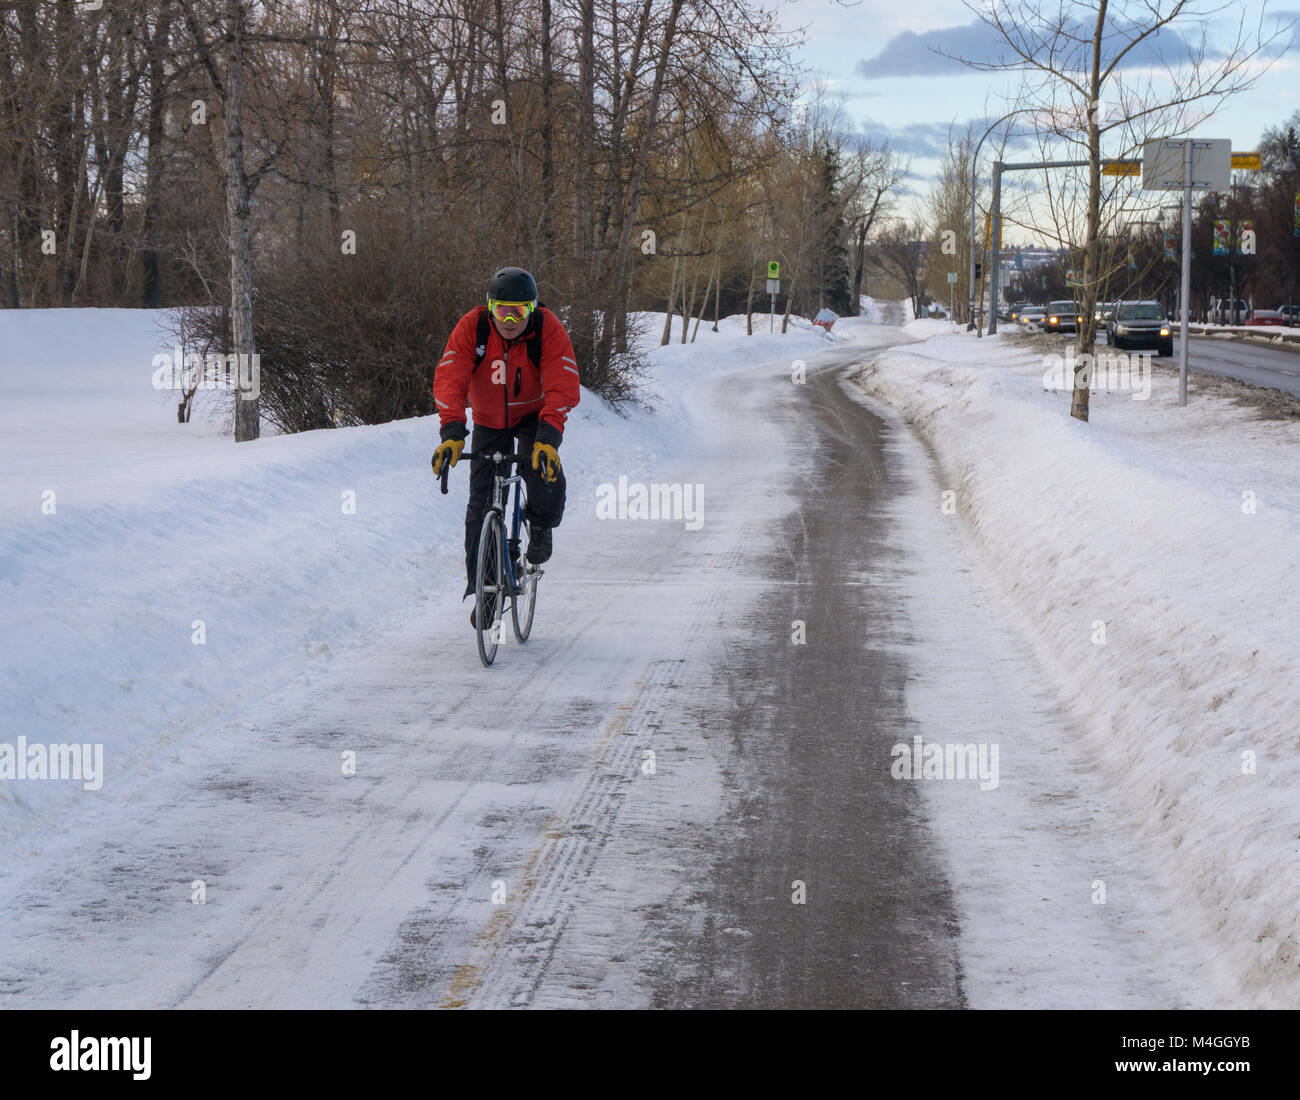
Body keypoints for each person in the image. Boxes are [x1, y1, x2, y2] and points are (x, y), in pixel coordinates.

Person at [431, 267, 581, 626]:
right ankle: (484, 591)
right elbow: (450, 379)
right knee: (479, 508)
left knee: (542, 469)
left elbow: (563, 385)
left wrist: (549, 439)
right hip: (488, 419)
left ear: (532, 309)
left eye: (519, 311)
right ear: (489, 307)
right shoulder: (474, 327)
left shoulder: (547, 328)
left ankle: (541, 525)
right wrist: (452, 430)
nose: (510, 319)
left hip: (534, 416)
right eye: (502, 310)